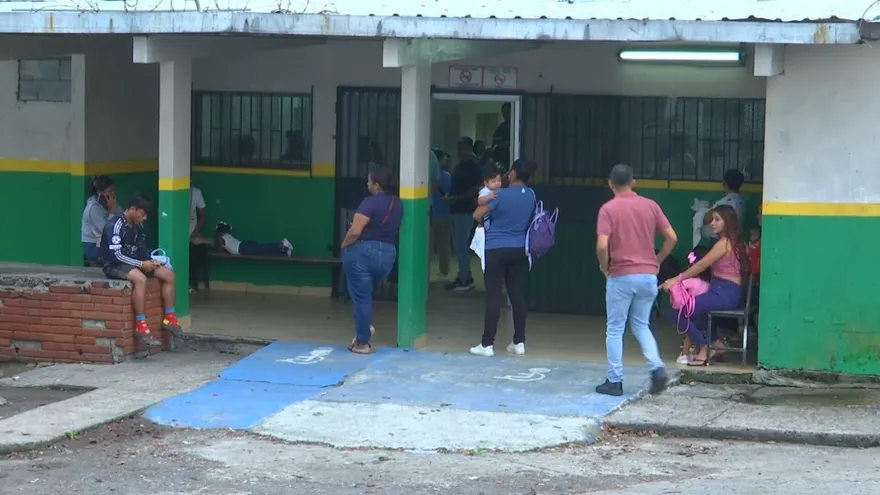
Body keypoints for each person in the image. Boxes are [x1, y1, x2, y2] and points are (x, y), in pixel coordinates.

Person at [595, 164, 676, 396]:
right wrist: (657, 260)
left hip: (621, 275)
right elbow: (672, 237)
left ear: (610, 183)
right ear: (634, 181)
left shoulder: (608, 209)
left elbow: (602, 245)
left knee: (615, 328)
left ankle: (615, 380)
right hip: (648, 275)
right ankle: (657, 367)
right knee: (641, 325)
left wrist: (605, 266)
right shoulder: (650, 205)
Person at [660, 204, 751, 366]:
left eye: (717, 220)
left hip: (724, 292)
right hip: (727, 292)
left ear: (728, 222)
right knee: (697, 313)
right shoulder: (738, 242)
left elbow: (701, 266)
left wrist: (676, 279)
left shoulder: (724, 243)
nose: (712, 224)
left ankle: (704, 346)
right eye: (712, 220)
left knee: (679, 311)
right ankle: (716, 344)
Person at [468, 159, 537, 357]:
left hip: (496, 248)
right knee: (516, 293)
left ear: (513, 174)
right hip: (520, 249)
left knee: (494, 295)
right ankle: (519, 342)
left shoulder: (499, 195)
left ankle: (487, 344)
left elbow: (476, 215)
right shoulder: (531, 195)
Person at [100, 194, 184, 348]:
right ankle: (141, 325)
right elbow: (115, 255)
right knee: (140, 279)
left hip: (136, 263)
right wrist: (140, 263)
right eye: (142, 214)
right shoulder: (115, 225)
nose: (144, 218)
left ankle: (170, 318)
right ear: (132, 209)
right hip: (114, 265)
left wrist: (151, 261)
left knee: (169, 274)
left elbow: (141, 249)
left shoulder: (138, 227)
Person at [341, 166, 403, 354]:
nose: (367, 184)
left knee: (361, 298)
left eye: (369, 181)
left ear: (376, 185)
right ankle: (364, 327)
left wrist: (344, 246)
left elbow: (355, 231)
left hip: (363, 253)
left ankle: (362, 342)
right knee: (365, 295)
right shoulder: (398, 203)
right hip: (387, 255)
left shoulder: (369, 203)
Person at [445, 137, 482, 292]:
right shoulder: (462, 165)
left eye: (462, 148)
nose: (460, 152)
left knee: (461, 245)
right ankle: (463, 275)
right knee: (459, 244)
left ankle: (465, 279)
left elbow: (475, 189)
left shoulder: (473, 167)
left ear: (468, 148)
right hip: (457, 208)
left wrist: (457, 198)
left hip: (465, 209)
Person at [81, 175, 122, 264]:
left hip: (106, 245)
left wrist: (114, 207)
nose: (113, 194)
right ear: (100, 192)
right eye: (110, 191)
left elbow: (122, 218)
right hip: (93, 247)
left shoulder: (108, 204)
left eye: (114, 191)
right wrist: (112, 211)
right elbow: (107, 230)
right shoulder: (93, 208)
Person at [703, 169, 745, 241]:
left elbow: (707, 218)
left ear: (724, 183)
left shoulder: (723, 203)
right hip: (735, 239)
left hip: (719, 239)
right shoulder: (742, 202)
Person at [430, 149, 453, 279]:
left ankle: (425, 270)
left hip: (430, 212)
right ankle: (444, 271)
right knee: (444, 245)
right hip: (445, 213)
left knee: (428, 243)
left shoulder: (426, 174)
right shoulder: (447, 176)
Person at [214, 222, 293, 257]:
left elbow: (219, 252)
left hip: (242, 248)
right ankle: (284, 249)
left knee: (264, 249)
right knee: (264, 250)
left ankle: (282, 244)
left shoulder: (220, 238)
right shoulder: (228, 236)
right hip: (243, 245)